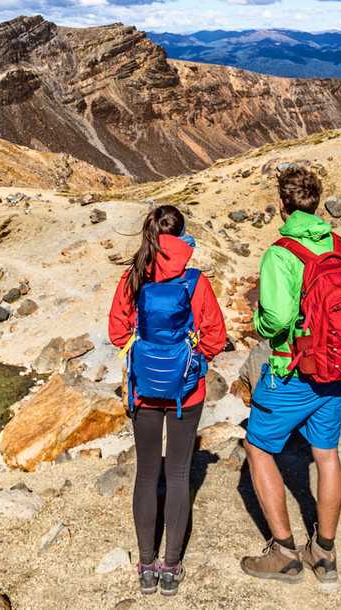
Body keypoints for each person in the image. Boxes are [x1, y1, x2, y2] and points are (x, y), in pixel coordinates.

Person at [239, 166, 341, 584]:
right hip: (337, 373)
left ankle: (284, 553)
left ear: (282, 205)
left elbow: (277, 320)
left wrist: (263, 324)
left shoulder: (280, 253)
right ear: (317, 201)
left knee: (257, 447)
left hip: (293, 372)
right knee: (326, 455)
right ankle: (324, 553)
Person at [108, 204, 227, 596]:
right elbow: (215, 335)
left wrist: (142, 349)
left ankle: (145, 564)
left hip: (144, 389)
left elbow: (116, 331)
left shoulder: (133, 278)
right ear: (183, 235)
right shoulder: (196, 282)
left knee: (146, 472)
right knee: (177, 474)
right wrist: (193, 360)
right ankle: (171, 566)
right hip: (186, 391)